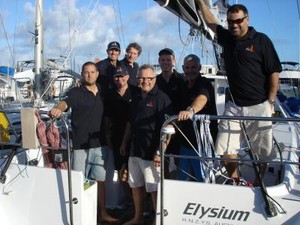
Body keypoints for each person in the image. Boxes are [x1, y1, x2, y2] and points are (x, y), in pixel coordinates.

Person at [198, 1, 282, 185]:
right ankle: (237, 182)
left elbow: (274, 71)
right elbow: (211, 22)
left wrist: (270, 101)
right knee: (225, 148)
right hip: (234, 105)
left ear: (247, 19)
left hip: (259, 105)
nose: (234, 25)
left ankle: (259, 184)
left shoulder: (261, 40)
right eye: (230, 22)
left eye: (238, 21)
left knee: (262, 152)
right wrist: (200, 2)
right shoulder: (227, 38)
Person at [49, 62, 118, 223]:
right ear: (82, 74)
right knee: (79, 181)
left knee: (100, 181)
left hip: (100, 145)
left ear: (97, 74)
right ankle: (78, 214)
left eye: (92, 72)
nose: (89, 75)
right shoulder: (75, 92)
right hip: (80, 146)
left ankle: (102, 213)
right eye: (86, 72)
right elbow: (65, 103)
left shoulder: (103, 91)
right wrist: (58, 108)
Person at [120, 64, 173, 225]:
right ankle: (138, 217)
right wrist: (124, 142)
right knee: (135, 186)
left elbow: (169, 129)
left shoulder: (162, 98)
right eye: (141, 78)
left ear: (154, 79)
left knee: (154, 188)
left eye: (148, 78)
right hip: (134, 150)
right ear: (137, 79)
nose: (145, 81)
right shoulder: (135, 97)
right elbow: (130, 122)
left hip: (152, 153)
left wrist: (160, 151)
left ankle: (157, 220)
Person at [177, 54, 218, 181]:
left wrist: (191, 110)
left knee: (202, 178)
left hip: (202, 143)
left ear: (199, 68)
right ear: (183, 68)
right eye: (187, 68)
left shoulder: (204, 84)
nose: (190, 70)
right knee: (182, 177)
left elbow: (202, 98)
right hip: (185, 141)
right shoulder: (182, 84)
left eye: (193, 67)